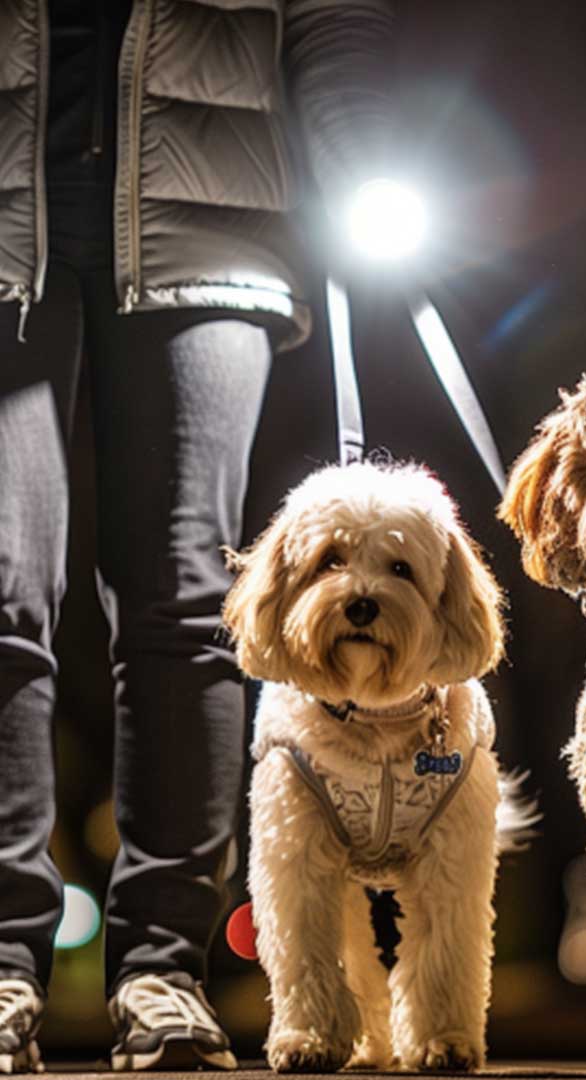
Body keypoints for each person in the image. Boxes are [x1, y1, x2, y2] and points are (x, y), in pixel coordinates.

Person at [0, 0, 396, 1071]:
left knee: (187, 598)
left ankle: (163, 968)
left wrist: (361, 155)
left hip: (211, 206)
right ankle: (0, 958)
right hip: (4, 204)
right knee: (0, 591)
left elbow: (329, 14)